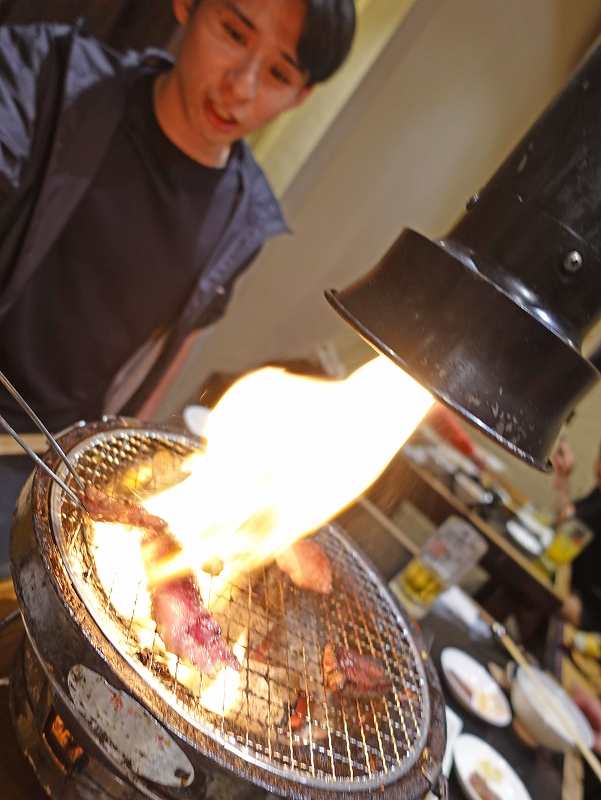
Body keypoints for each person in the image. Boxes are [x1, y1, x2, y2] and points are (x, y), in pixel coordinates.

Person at [0, 0, 356, 576]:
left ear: (300, 96)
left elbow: (167, 352)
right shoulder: (54, 78)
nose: (240, 87)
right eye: (234, 33)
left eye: (278, 74)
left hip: (46, 456)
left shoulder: (242, 219)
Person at [551, 439, 601, 631]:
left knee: (528, 589)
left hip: (588, 610)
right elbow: (568, 519)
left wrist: (562, 476)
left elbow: (566, 528)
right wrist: (562, 475)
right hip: (571, 585)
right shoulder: (598, 493)